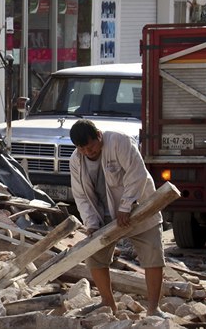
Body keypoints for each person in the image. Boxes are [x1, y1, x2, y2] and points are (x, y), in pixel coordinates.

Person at [69, 119, 167, 317]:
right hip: (103, 215)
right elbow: (81, 195)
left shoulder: (119, 141)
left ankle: (153, 308)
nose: (89, 152)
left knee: (153, 253)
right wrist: (91, 224)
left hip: (139, 208)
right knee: (95, 256)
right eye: (83, 149)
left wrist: (126, 205)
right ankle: (108, 303)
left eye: (91, 147)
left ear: (98, 135)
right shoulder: (76, 160)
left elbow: (137, 174)